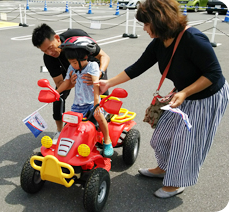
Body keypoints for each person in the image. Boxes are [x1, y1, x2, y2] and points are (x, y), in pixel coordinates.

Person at [96, 0, 229, 198]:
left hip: (205, 97)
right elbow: (138, 66)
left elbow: (214, 74)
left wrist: (184, 93)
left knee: (185, 144)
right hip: (182, 95)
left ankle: (176, 183)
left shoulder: (193, 39)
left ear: (159, 20)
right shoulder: (160, 41)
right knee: (162, 136)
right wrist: (109, 83)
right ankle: (164, 168)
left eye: (146, 23)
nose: (144, 28)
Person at [32, 24, 110, 143]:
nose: (49, 52)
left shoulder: (77, 36)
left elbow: (104, 56)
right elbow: (59, 82)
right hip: (71, 73)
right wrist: (67, 87)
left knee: (101, 101)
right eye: (45, 51)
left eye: (50, 47)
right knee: (58, 99)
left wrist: (99, 74)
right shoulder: (48, 58)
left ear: (57, 38)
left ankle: (105, 134)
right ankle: (59, 131)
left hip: (94, 69)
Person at [55, 36, 113, 157]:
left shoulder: (92, 66)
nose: (73, 65)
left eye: (75, 62)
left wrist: (96, 103)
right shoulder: (72, 67)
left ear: (85, 57)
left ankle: (107, 141)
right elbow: (66, 82)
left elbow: (96, 85)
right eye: (71, 62)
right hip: (78, 104)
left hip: (92, 102)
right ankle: (69, 149)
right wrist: (55, 92)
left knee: (99, 117)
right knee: (70, 126)